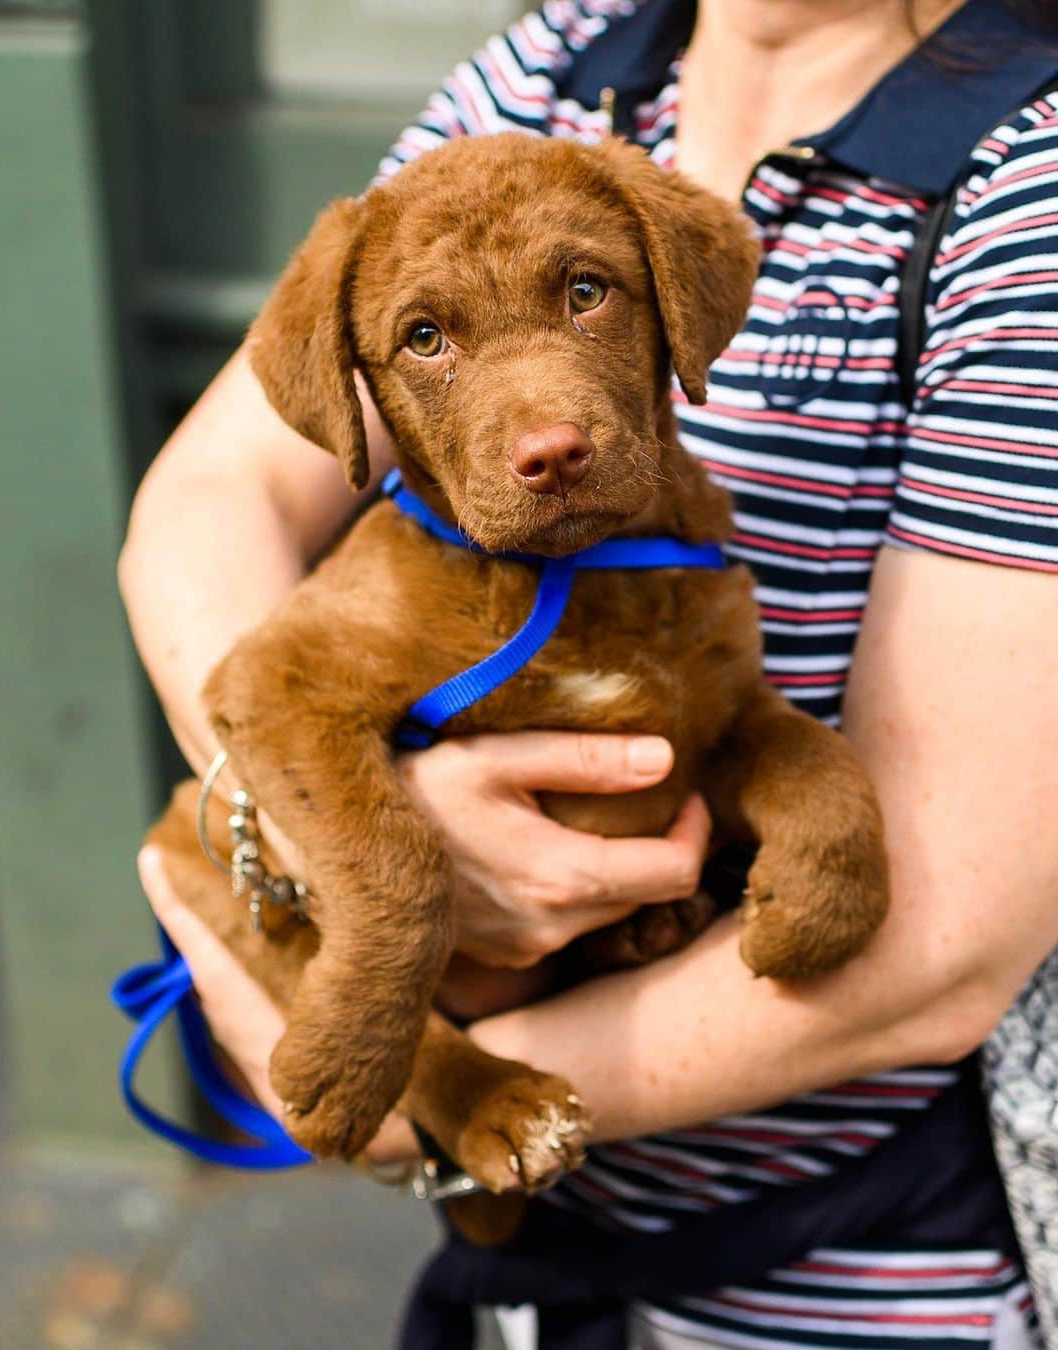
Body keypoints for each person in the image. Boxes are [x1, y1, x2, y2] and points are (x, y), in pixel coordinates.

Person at [119, 0, 1058, 1344]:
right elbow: (210, 498)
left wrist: (443, 1098)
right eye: (432, 345)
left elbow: (944, 946)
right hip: (542, 1272)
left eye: (584, 294)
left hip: (861, 1274)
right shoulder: (568, 59)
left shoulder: (1028, 180)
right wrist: (343, 857)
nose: (543, 427)